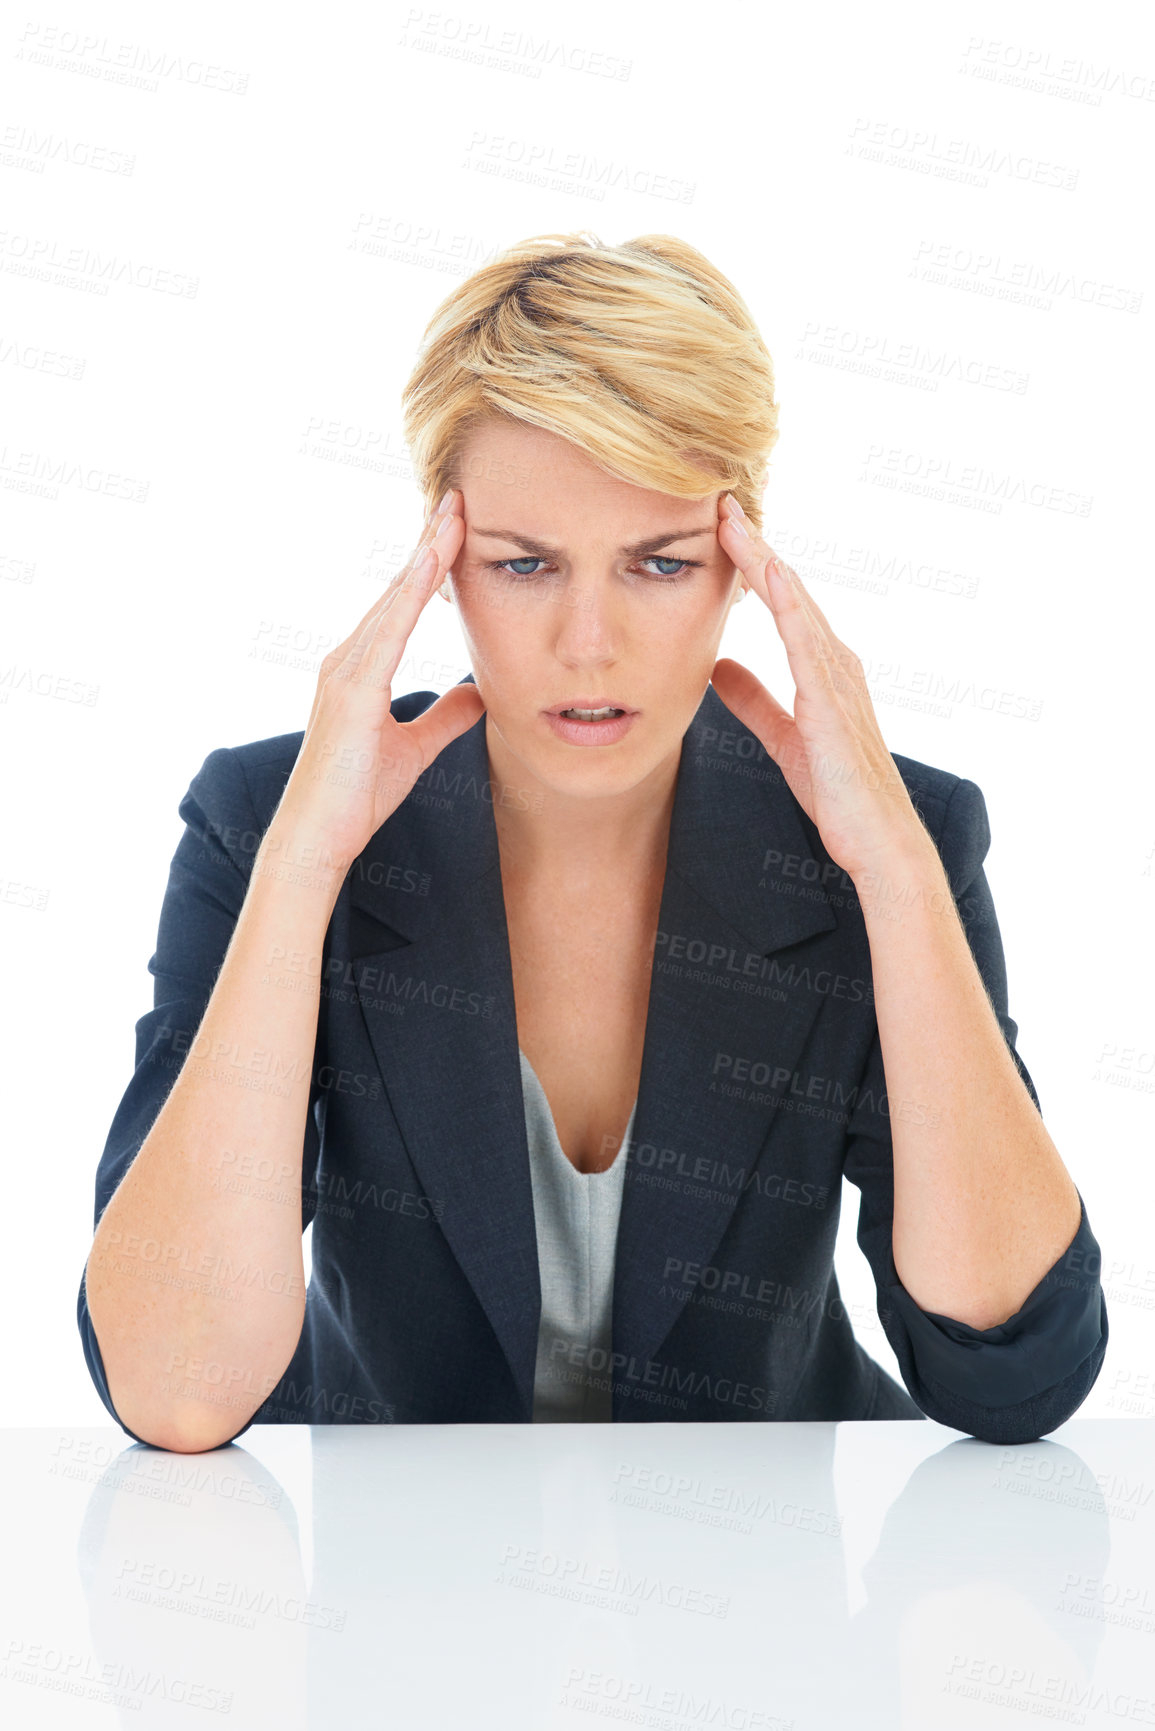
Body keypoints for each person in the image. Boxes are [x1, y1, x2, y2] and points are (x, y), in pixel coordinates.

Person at [79, 232, 1107, 1453]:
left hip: (771, 1592)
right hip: (391, 1599)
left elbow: (1013, 1378)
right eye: (524, 566)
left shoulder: (886, 841)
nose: (589, 644)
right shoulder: (266, 824)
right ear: (441, 558)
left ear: (743, 561)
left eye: (660, 564)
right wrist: (303, 873)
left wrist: (892, 870)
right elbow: (174, 1391)